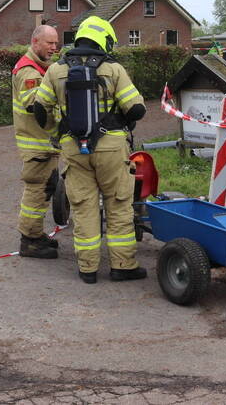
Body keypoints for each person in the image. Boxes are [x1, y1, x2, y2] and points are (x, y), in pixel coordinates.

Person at [32, 16, 147, 283]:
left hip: (73, 149)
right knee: (118, 205)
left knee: (83, 207)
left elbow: (39, 109)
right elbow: (137, 108)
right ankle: (122, 266)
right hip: (111, 149)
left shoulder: (56, 70)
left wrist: (58, 134)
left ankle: (87, 269)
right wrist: (121, 125)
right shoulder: (114, 69)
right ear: (104, 40)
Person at [11, 24, 61, 259]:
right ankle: (29, 241)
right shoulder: (29, 71)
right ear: (35, 42)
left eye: (55, 43)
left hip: (43, 143)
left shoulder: (41, 67)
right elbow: (36, 104)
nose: (54, 47)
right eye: (49, 43)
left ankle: (35, 233)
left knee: (46, 187)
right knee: (36, 190)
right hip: (36, 145)